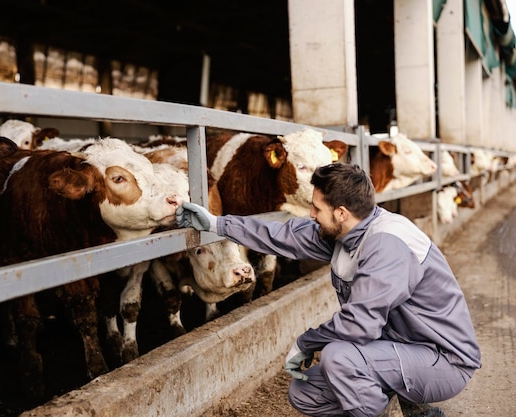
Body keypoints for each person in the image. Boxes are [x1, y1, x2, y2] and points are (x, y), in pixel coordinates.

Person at [176, 163, 480, 417]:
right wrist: (217, 224)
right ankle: (412, 408)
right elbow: (282, 235)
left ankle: (407, 407)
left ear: (341, 213)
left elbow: (359, 324)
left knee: (339, 357)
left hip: (442, 359)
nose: (310, 214)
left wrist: (306, 342)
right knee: (305, 391)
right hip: (395, 346)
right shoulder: (346, 230)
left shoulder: (387, 244)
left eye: (316, 207)